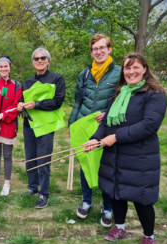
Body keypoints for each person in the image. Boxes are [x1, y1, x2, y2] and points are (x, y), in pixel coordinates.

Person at [83, 52, 167, 244]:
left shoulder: (154, 94)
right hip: (115, 155)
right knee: (116, 192)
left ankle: (149, 237)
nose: (131, 72)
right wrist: (96, 138)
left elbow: (149, 125)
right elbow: (105, 123)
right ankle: (119, 227)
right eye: (127, 68)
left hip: (140, 157)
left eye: (135, 67)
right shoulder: (120, 94)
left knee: (142, 199)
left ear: (145, 69)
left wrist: (116, 137)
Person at [68, 33, 121, 227]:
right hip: (84, 125)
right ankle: (87, 200)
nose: (98, 51)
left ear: (109, 49)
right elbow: (77, 101)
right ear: (91, 52)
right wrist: (72, 125)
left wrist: (107, 113)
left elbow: (123, 102)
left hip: (107, 127)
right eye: (95, 49)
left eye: (102, 47)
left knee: (106, 166)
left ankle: (108, 207)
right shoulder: (85, 74)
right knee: (85, 163)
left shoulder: (120, 73)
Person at [17, 47, 65, 209]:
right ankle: (32, 187)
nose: (39, 61)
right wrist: (20, 105)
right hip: (28, 126)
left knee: (43, 160)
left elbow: (57, 101)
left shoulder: (57, 79)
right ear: (32, 62)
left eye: (43, 58)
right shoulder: (27, 83)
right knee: (30, 159)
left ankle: (44, 193)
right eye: (36, 59)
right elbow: (22, 102)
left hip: (45, 127)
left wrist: (37, 104)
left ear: (48, 61)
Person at [0, 56, 22, 196]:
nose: (3, 69)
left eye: (5, 66)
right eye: (0, 67)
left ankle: (6, 183)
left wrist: (2, 116)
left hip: (8, 125)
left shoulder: (17, 85)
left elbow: (16, 106)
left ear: (10, 67)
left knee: (7, 155)